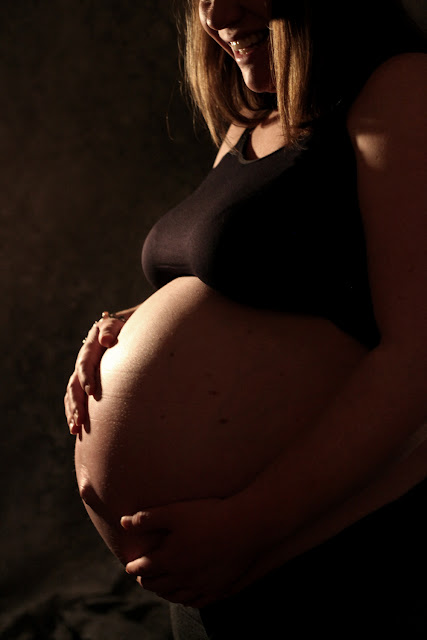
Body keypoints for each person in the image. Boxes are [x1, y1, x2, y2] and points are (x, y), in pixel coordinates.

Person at [65, 0, 427, 637]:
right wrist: (122, 326)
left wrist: (249, 523)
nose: (218, 13)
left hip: (320, 554)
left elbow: (417, 355)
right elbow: (248, 278)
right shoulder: (251, 120)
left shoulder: (397, 86)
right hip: (218, 569)